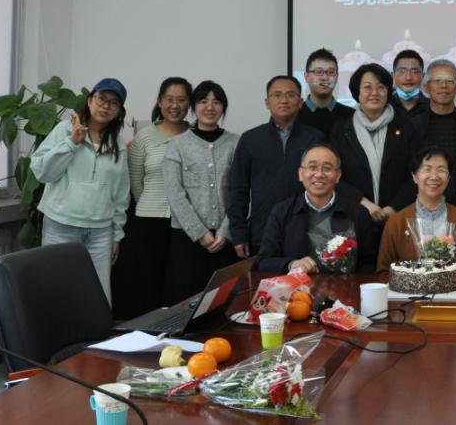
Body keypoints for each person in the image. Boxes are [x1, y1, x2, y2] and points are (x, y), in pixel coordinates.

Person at [31, 78, 130, 303]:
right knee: (57, 292)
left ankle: (96, 329)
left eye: (114, 103)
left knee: (97, 296)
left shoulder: (117, 142)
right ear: (90, 100)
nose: (106, 106)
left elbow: (121, 193)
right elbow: (42, 172)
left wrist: (116, 234)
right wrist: (72, 142)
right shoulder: (65, 130)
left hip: (100, 231)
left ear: (118, 112)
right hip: (61, 225)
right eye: (102, 99)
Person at [111, 76, 191, 318]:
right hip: (148, 221)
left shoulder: (196, 136)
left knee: (181, 284)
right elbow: (135, 184)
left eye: (181, 100)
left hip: (187, 224)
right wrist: (153, 205)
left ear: (189, 103)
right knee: (148, 283)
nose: (175, 105)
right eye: (169, 99)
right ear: (160, 101)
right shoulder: (144, 138)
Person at [226, 76, 325, 258]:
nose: (284, 100)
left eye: (291, 95)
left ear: (300, 102)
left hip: (307, 231)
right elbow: (238, 189)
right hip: (262, 232)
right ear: (267, 102)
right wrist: (238, 233)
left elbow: (325, 185)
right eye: (277, 95)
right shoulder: (250, 139)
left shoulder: (315, 138)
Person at [161, 80, 239, 303]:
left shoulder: (236, 143)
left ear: (223, 107)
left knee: (224, 300)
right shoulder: (177, 145)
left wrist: (225, 231)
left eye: (216, 102)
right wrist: (200, 233)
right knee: (186, 301)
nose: (210, 107)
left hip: (225, 238)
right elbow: (175, 194)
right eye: (203, 101)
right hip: (187, 238)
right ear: (194, 107)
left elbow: (241, 191)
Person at [256, 144, 376, 274]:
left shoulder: (358, 213)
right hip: (296, 286)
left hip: (344, 286)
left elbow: (368, 265)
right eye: (312, 167)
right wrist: (291, 264)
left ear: (338, 176)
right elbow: (263, 262)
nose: (319, 174)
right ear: (301, 174)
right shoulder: (282, 212)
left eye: (327, 168)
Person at [330, 63, 420, 224]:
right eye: (367, 87)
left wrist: (392, 208)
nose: (374, 93)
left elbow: (416, 173)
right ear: (357, 92)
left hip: (397, 217)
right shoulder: (341, 130)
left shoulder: (405, 127)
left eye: (381, 87)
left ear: (388, 92)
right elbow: (334, 175)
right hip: (354, 216)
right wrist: (364, 204)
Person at [376, 147, 456, 275]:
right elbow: (383, 272)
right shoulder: (396, 222)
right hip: (408, 288)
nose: (434, 176)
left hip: (455, 287)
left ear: (448, 178)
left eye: (441, 170)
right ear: (415, 177)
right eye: (427, 169)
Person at [410, 58, 456, 211]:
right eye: (437, 80)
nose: (444, 85)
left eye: (449, 81)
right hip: (419, 209)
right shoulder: (412, 126)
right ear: (426, 87)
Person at [297, 48, 355, 137]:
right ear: (306, 76)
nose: (325, 77)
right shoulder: (294, 115)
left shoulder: (351, 116)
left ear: (337, 77)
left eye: (331, 72)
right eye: (318, 72)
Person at [388, 49, 429, 119]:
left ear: (423, 76)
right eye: (402, 71)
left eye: (415, 72)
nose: (408, 78)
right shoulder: (384, 106)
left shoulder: (433, 106)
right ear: (393, 75)